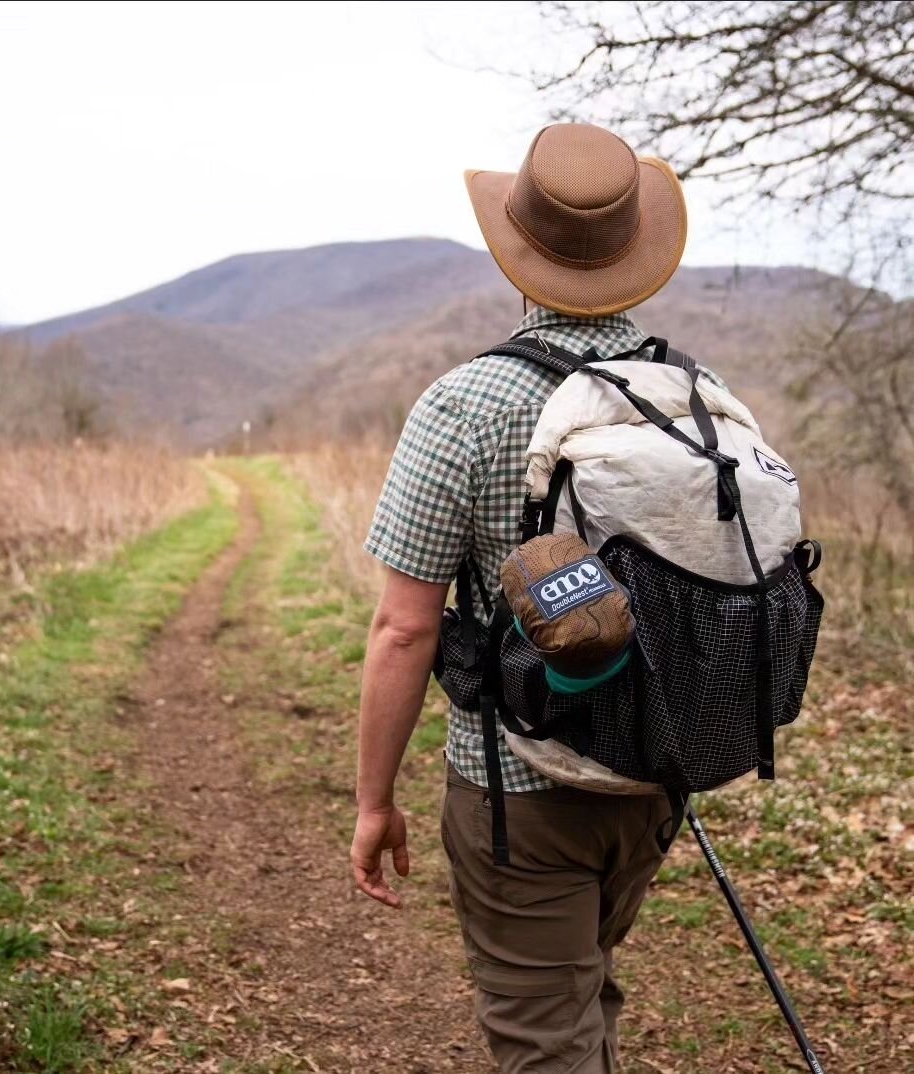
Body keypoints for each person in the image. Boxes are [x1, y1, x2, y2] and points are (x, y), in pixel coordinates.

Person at [351, 122, 698, 1072]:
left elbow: (403, 628)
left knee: (544, 1034)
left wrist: (374, 799)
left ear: (519, 257)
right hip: (652, 777)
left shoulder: (463, 405)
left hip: (516, 786)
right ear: (634, 258)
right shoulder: (692, 392)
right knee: (577, 987)